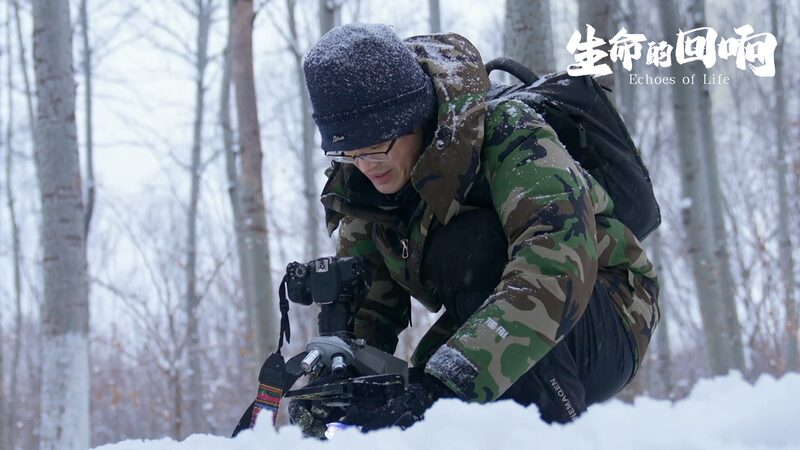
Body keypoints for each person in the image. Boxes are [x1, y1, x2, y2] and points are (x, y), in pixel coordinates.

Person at [289, 23, 660, 437]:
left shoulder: (508, 133)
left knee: (465, 254)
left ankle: (560, 438)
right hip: (502, 316)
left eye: (377, 146)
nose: (366, 164)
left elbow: (556, 264)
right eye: (348, 152)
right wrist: (335, 387)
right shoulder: (362, 183)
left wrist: (446, 383)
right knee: (414, 400)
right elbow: (371, 311)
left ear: (416, 116)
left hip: (605, 306)